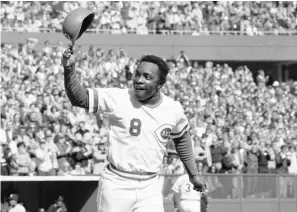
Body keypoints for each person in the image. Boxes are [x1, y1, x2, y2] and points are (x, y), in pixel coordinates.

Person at [62, 47, 206, 212]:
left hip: (150, 186)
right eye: (137, 74)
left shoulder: (172, 109)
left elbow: (182, 138)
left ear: (160, 84)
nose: (139, 80)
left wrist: (193, 174)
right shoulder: (119, 98)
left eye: (147, 77)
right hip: (117, 184)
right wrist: (69, 68)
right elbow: (79, 98)